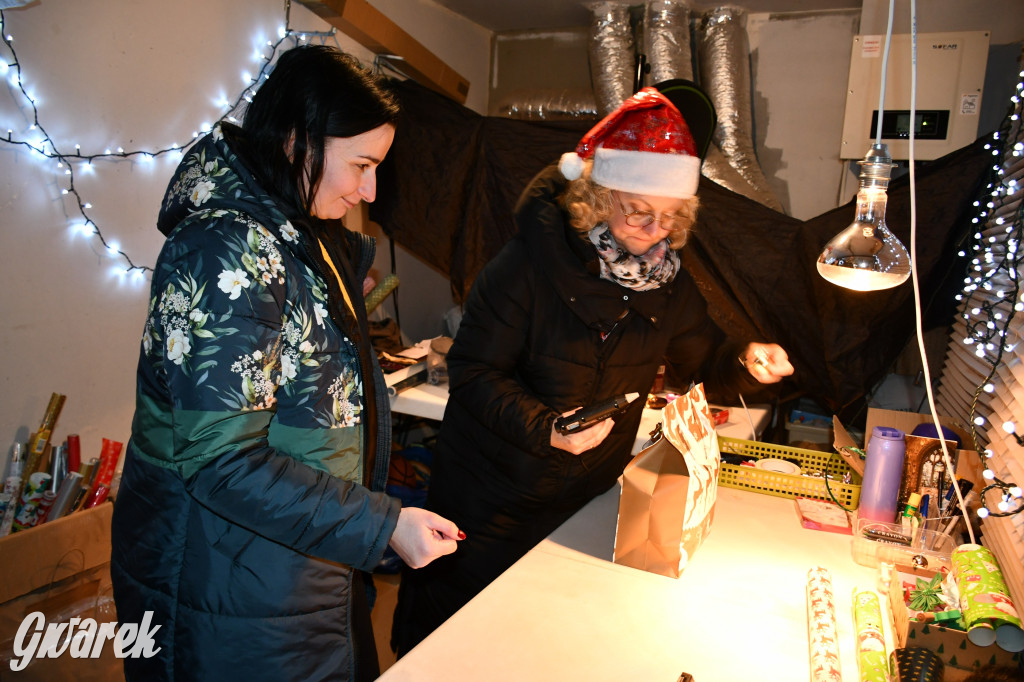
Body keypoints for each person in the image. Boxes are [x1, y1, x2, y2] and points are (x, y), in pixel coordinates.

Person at [391, 86, 794, 655]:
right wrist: (547, 428)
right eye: (640, 212)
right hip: (490, 498)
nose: (656, 231)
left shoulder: (664, 280)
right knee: (452, 643)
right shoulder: (526, 266)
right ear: (600, 196)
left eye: (672, 218)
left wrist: (746, 361)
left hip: (583, 495)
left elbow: (702, 359)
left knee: (539, 642)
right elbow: (475, 372)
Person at [110, 45, 462, 682]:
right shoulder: (228, 252)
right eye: (361, 164)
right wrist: (382, 522)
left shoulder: (298, 236)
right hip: (224, 581)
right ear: (299, 141)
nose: (369, 190)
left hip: (281, 566)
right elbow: (222, 462)